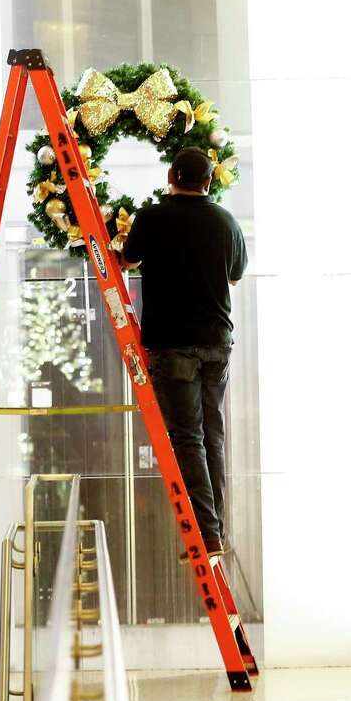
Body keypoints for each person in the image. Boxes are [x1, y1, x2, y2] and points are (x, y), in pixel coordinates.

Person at [120, 147, 248, 557]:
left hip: (173, 343)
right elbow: (236, 275)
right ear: (208, 182)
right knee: (213, 435)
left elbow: (125, 260)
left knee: (188, 437)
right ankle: (215, 531)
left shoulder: (154, 218)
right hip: (216, 343)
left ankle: (208, 533)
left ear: (171, 177)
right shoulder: (226, 221)